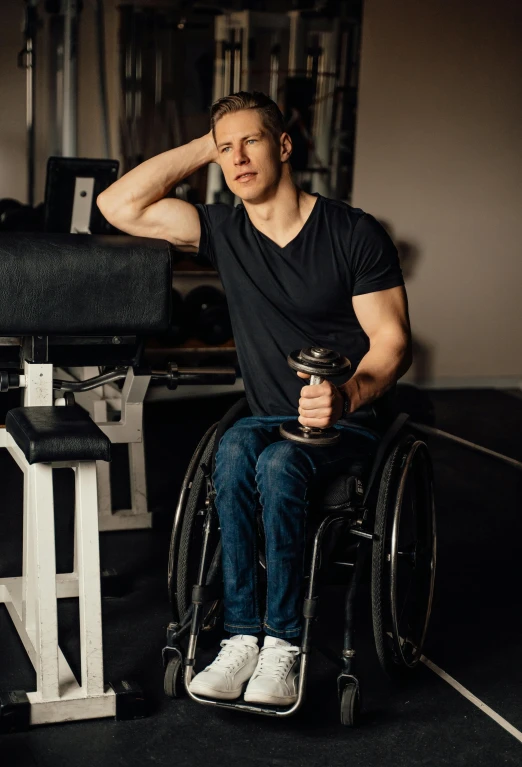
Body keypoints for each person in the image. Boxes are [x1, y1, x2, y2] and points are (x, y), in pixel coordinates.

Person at [97, 91, 412, 707]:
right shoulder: (223, 230)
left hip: (344, 422)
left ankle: (283, 647)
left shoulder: (352, 233)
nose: (238, 159)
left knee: (277, 463)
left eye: (252, 142)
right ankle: (241, 637)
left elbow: (393, 342)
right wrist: (207, 143)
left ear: (284, 146)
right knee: (237, 451)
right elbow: (118, 204)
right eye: (226, 150)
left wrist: (348, 395)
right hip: (264, 416)